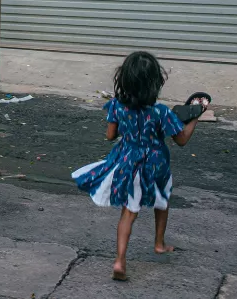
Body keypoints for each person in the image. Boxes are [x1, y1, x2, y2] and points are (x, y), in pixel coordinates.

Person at [71, 51, 205, 282]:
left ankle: (120, 260)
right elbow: (181, 140)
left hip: (127, 162)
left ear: (124, 79)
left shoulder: (117, 106)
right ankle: (159, 244)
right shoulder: (161, 112)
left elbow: (110, 136)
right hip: (156, 165)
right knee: (162, 201)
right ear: (155, 82)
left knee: (129, 212)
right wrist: (194, 118)